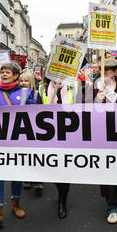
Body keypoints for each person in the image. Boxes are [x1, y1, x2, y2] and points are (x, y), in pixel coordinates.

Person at [0, 62, 35, 228]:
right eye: (2, 72)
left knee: (16, 174)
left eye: (7, 72)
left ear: (15, 76)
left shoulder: (27, 93)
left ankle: (15, 204)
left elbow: (35, 114)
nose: (4, 74)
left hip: (19, 141)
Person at [92, 58, 117, 224]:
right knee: (108, 169)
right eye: (102, 69)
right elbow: (88, 111)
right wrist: (97, 100)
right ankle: (112, 207)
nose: (104, 73)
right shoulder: (94, 86)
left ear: (115, 71)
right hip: (103, 132)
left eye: (107, 70)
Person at [39, 78, 79, 219]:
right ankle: (61, 193)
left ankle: (63, 200)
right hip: (49, 134)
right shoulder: (42, 88)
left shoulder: (74, 86)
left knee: (65, 169)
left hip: (70, 133)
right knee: (55, 168)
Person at [19, 72, 43, 194]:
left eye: (26, 81)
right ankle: (27, 178)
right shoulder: (15, 95)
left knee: (36, 154)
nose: (23, 83)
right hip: (21, 128)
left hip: (35, 128)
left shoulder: (37, 94)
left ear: (31, 82)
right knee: (25, 155)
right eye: (21, 81)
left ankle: (39, 180)